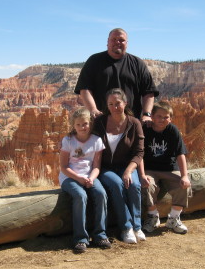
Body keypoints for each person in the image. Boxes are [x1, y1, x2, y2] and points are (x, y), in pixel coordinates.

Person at [92, 88, 146, 244]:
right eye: (111, 104)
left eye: (118, 103)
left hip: (126, 166)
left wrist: (129, 171)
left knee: (134, 185)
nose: (114, 107)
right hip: (105, 167)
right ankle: (126, 227)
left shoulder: (134, 123)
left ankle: (137, 226)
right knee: (116, 184)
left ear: (125, 103)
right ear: (107, 106)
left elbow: (139, 152)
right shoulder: (100, 122)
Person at [74, 28, 159, 121]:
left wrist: (147, 114)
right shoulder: (94, 61)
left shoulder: (137, 63)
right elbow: (85, 89)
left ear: (126, 43)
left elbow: (148, 92)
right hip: (101, 122)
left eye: (121, 40)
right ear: (107, 42)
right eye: (113, 39)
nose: (117, 42)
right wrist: (93, 110)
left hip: (131, 124)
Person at [59, 107, 111, 253]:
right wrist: (79, 178)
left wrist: (91, 178)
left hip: (89, 176)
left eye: (85, 124)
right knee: (80, 196)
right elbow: (63, 167)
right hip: (69, 177)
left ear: (90, 123)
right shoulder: (68, 141)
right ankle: (80, 238)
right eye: (79, 125)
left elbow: (96, 166)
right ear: (73, 126)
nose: (82, 127)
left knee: (101, 194)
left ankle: (100, 235)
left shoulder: (97, 141)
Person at [139, 101, 191, 234]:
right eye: (159, 116)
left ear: (171, 118)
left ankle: (174, 218)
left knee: (183, 184)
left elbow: (180, 154)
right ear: (152, 117)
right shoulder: (146, 130)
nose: (162, 120)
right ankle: (153, 216)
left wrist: (184, 175)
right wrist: (142, 174)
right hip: (151, 169)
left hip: (169, 168)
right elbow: (140, 154)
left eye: (166, 117)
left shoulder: (172, 130)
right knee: (146, 185)